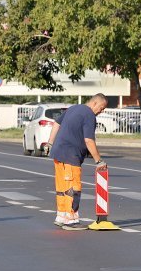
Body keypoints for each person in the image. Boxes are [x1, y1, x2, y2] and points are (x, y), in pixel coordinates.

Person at [45, 93, 108, 230]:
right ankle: (71, 219)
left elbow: (56, 123)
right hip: (70, 155)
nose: (102, 111)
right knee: (73, 188)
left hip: (58, 152)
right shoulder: (89, 115)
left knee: (62, 187)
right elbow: (89, 140)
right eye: (102, 108)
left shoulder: (74, 108)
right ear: (95, 103)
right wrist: (99, 161)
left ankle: (61, 216)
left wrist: (50, 143)